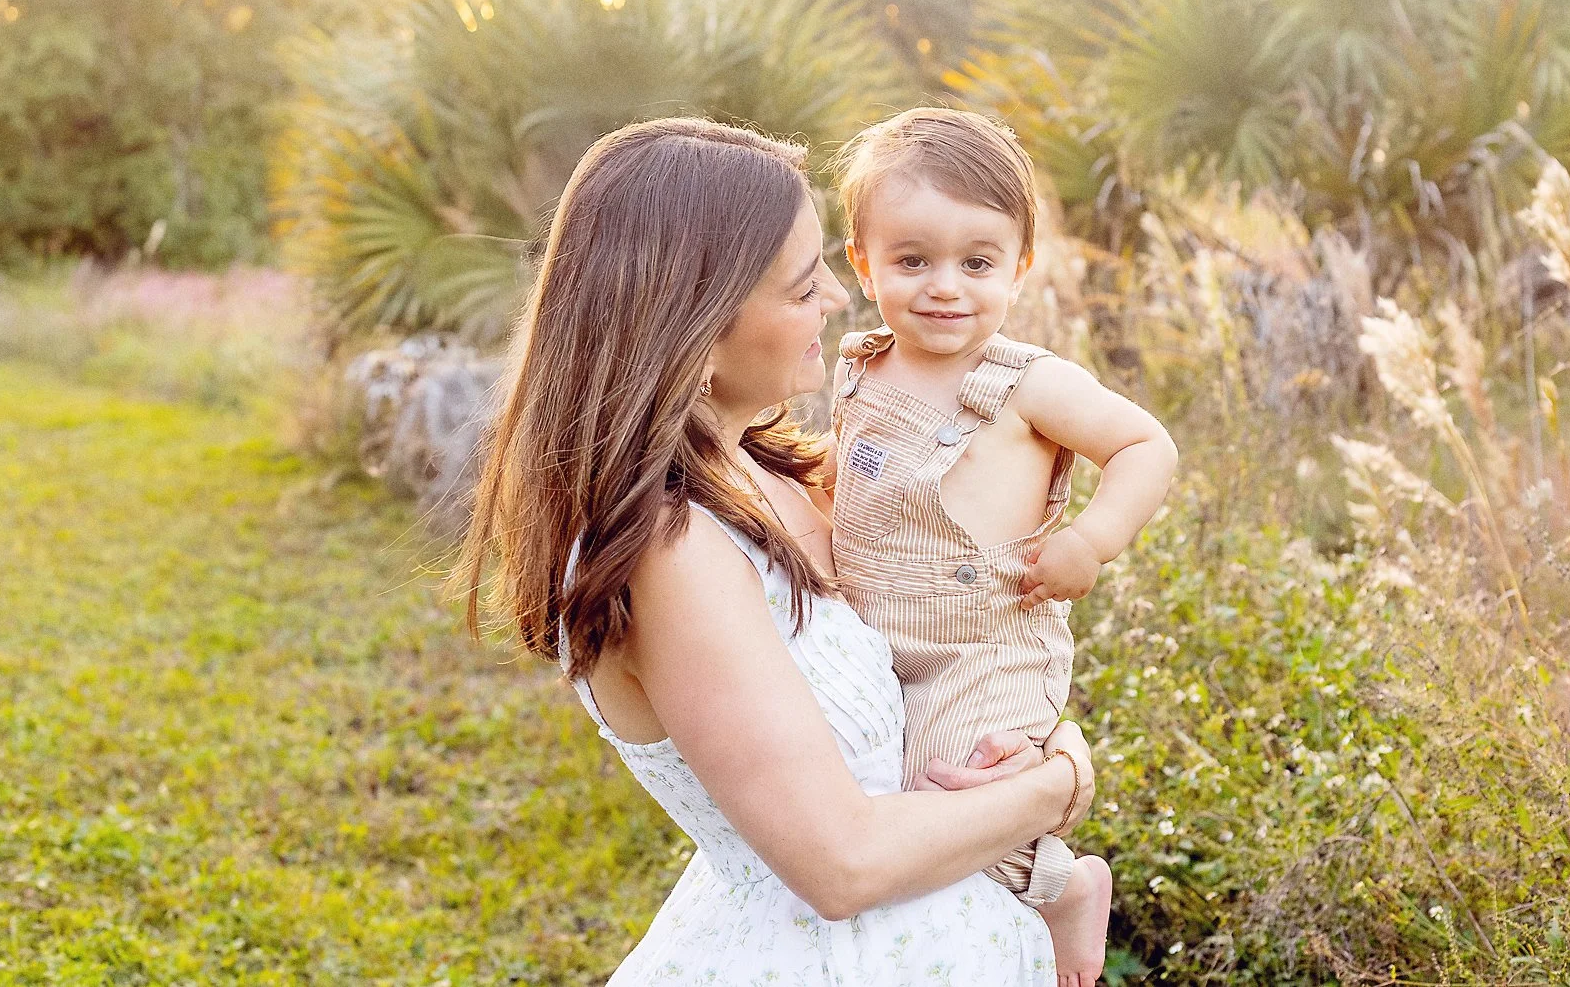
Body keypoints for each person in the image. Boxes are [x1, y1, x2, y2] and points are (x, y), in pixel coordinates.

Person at [456, 117, 1096, 985]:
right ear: (698, 320)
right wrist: (1057, 780)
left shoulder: (775, 469)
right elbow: (840, 863)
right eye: (803, 285)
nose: (838, 298)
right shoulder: (669, 549)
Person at [829, 108, 1178, 987]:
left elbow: (1147, 446)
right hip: (874, 633)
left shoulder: (1029, 383)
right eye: (912, 261)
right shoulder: (860, 365)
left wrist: (1092, 540)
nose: (946, 286)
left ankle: (1063, 887)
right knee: (857, 795)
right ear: (862, 261)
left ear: (1020, 266)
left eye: (977, 262)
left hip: (984, 642)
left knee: (946, 788)